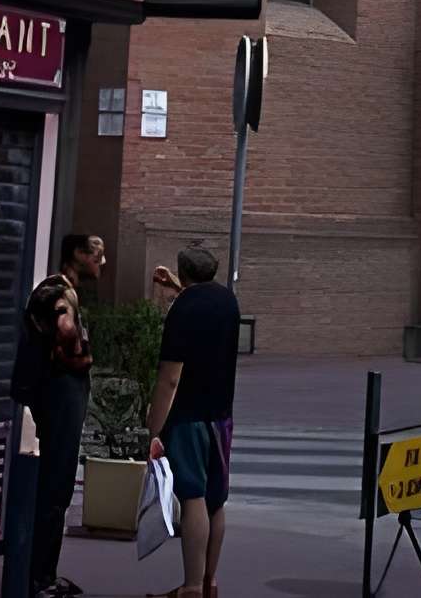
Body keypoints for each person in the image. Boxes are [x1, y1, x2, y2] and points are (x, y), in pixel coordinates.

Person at [147, 244, 243, 598]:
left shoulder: (182, 310)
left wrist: (154, 425)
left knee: (193, 497)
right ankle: (208, 583)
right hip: (222, 415)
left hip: (189, 414)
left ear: (183, 272)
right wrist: (177, 284)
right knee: (216, 501)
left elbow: (170, 377)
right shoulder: (228, 301)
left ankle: (190, 587)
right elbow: (202, 300)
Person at [13, 231, 105, 598]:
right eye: (96, 254)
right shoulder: (57, 293)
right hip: (59, 394)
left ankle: (42, 574)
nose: (101, 261)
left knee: (57, 486)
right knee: (56, 486)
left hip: (57, 395)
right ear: (78, 254)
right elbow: (68, 340)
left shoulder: (58, 291)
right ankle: (40, 578)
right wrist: (83, 356)